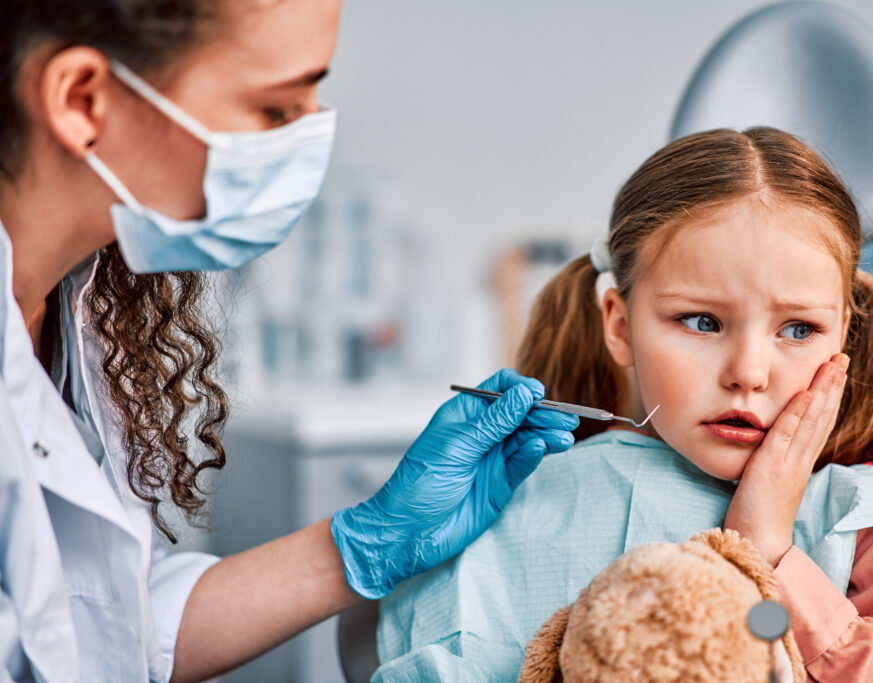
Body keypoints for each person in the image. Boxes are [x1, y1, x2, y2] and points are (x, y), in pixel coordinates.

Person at [0, 1, 579, 681]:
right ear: (82, 100)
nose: (306, 144)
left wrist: (366, 542)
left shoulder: (79, 301)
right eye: (274, 111)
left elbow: (104, 629)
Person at [374, 128, 873, 682]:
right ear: (619, 325)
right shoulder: (517, 501)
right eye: (702, 321)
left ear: (843, 333)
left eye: (798, 330)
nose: (748, 373)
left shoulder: (857, 510)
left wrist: (768, 550)